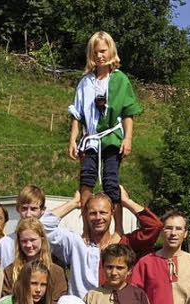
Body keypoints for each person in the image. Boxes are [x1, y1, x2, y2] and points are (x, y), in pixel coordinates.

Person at [67, 31, 142, 235]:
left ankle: (117, 229)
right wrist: (73, 140)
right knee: (86, 181)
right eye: (95, 52)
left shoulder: (120, 80)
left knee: (111, 182)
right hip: (90, 139)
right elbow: (77, 114)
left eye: (103, 51)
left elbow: (128, 112)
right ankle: (86, 229)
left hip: (112, 138)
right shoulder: (85, 83)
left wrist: (127, 138)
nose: (99, 55)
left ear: (111, 51)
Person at [42, 187, 160, 298]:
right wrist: (73, 203)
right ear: (86, 216)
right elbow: (42, 226)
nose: (98, 217)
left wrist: (127, 201)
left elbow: (154, 226)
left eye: (103, 212)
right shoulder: (76, 243)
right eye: (93, 213)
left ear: (112, 214)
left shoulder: (124, 244)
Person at [0, 185, 46, 268]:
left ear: (42, 210)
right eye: (24, 208)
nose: (28, 214)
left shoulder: (50, 241)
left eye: (33, 209)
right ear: (17, 209)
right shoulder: (4, 243)